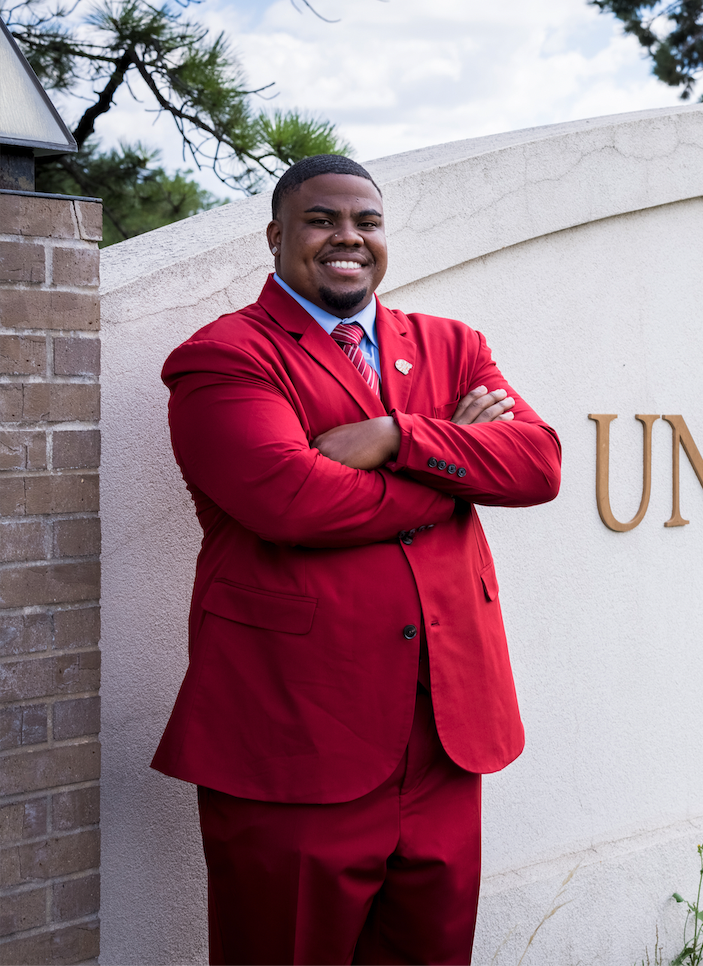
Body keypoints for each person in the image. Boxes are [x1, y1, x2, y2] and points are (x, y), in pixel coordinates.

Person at [151, 154, 561, 964]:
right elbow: (291, 501)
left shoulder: (452, 344)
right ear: (276, 236)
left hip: (444, 736)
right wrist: (455, 471)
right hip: (296, 735)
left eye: (366, 222)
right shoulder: (226, 355)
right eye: (321, 220)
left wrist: (398, 437)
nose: (349, 238)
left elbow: (538, 465)